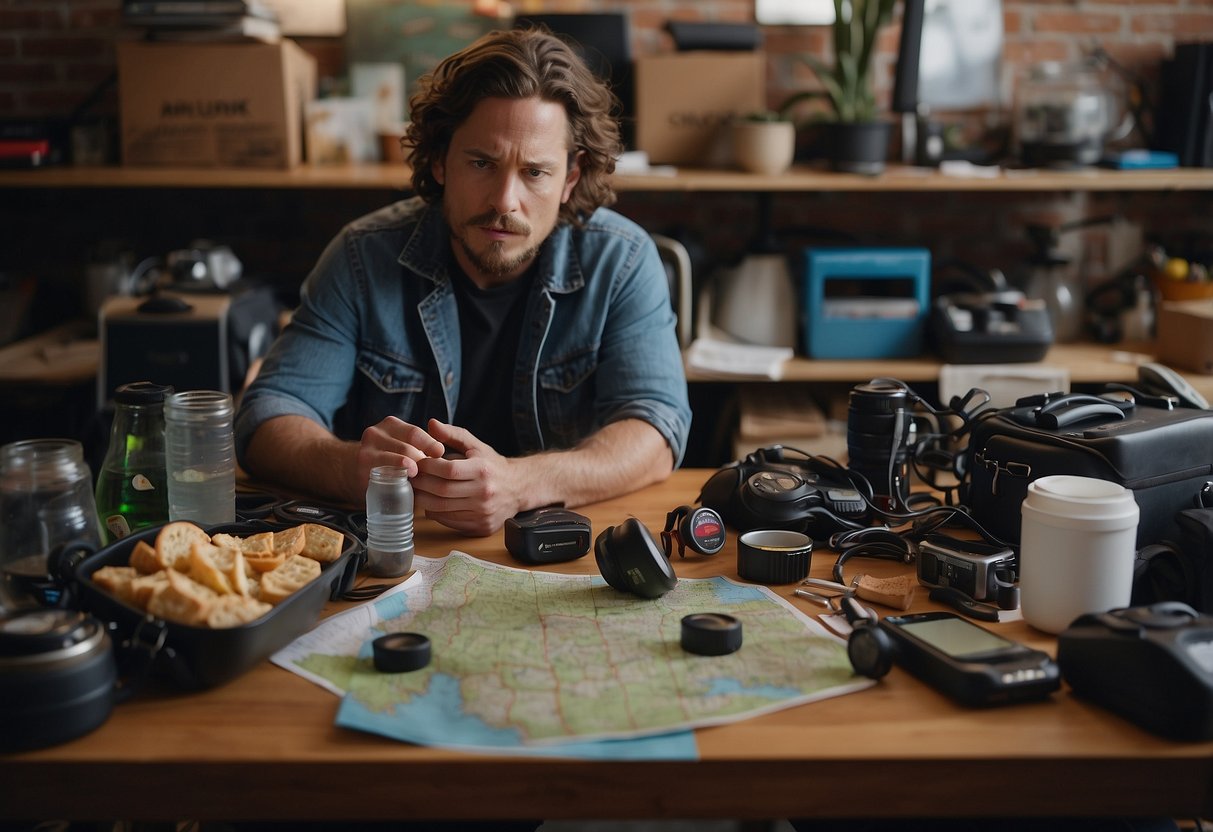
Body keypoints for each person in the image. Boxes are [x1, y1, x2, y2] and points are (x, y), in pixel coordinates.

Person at [235, 27, 692, 536]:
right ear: (439, 160)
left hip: (563, 551)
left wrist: (520, 483)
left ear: (570, 177)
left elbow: (656, 430)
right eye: (482, 163)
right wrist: (351, 469)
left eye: (535, 172)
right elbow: (267, 418)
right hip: (398, 550)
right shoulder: (361, 258)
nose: (504, 200)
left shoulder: (623, 262)